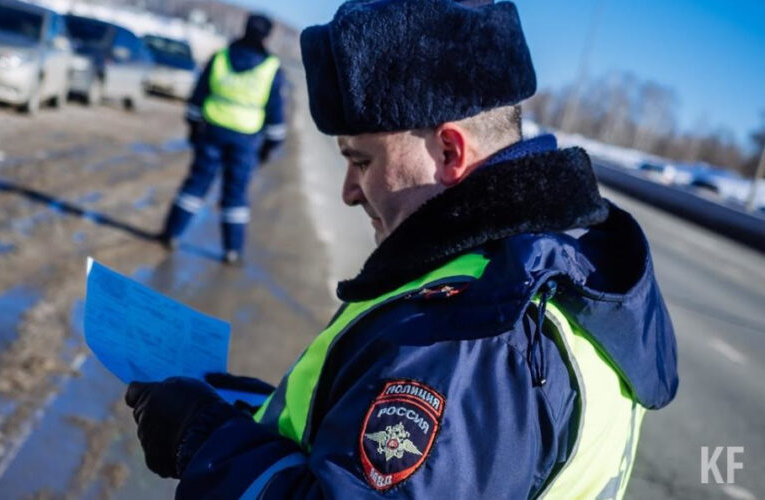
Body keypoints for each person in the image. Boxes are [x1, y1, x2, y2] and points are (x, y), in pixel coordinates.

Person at [126, 0, 679, 497]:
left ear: (448, 149)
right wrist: (245, 417)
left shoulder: (472, 331)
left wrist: (203, 441)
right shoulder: (546, 268)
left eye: (361, 161)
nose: (349, 191)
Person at [159, 12, 287, 265]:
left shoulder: (221, 57)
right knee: (235, 195)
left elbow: (198, 96)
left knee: (195, 185)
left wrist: (194, 129)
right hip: (245, 140)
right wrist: (268, 148)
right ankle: (232, 251)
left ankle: (171, 235)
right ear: (268, 35)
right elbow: (275, 112)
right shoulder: (271, 68)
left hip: (212, 132)